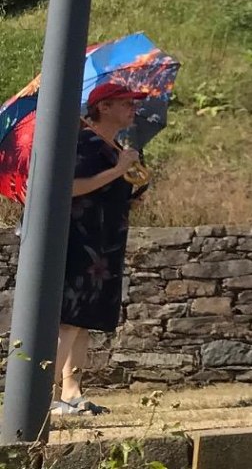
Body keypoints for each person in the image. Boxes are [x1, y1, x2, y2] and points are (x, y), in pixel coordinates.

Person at [53, 82, 152, 416]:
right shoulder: (85, 142)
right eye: (126, 103)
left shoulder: (115, 146)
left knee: (83, 320)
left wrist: (127, 197)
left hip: (104, 243)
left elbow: (104, 192)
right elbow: (70, 187)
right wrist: (118, 170)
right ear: (103, 107)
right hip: (81, 242)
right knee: (69, 319)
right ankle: (46, 394)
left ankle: (71, 392)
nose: (133, 109)